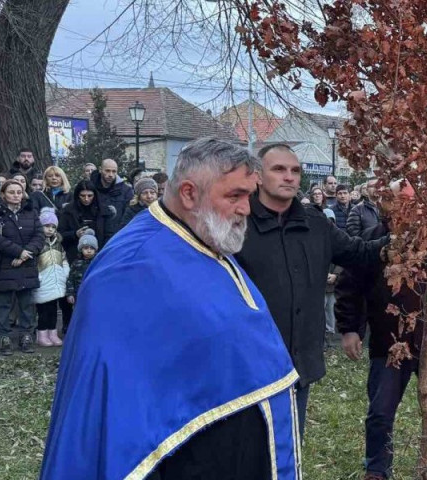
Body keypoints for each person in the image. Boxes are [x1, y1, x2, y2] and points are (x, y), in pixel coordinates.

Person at [42, 138, 302, 479]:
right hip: (180, 455)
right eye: (234, 196)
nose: (246, 209)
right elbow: (114, 400)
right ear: (189, 193)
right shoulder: (127, 267)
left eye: (248, 196)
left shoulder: (203, 235)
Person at [235, 143, 387, 437]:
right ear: (257, 175)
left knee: (290, 446)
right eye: (279, 169)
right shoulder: (236, 223)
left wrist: (405, 242)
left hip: (298, 361)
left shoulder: (315, 224)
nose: (289, 177)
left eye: (295, 170)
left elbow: (359, 253)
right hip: (247, 364)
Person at [335, 198, 427, 480]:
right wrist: (350, 328)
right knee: (380, 412)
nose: (405, 208)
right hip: (388, 343)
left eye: (412, 201)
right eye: (398, 200)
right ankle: (377, 468)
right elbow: (349, 284)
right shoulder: (373, 240)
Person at [0, 180, 44, 355]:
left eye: (19, 192)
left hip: (26, 265)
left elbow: (39, 236)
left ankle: (25, 336)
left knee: (26, 304)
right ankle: (5, 336)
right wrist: (18, 252)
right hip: (3, 266)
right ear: (3, 194)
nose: (15, 195)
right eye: (11, 192)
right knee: (3, 304)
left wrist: (25, 254)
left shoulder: (31, 212)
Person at [33, 209, 69, 347]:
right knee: (43, 311)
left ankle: (52, 333)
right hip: (43, 283)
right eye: (47, 226)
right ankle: (41, 334)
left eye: (53, 227)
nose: (50, 229)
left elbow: (63, 260)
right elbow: (33, 263)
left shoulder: (58, 244)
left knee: (54, 310)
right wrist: (38, 277)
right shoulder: (37, 244)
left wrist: (64, 272)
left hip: (55, 283)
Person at [58, 180, 114, 263]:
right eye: (82, 196)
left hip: (99, 256)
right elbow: (60, 234)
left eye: (90, 195)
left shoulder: (104, 211)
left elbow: (109, 235)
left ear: (95, 195)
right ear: (77, 196)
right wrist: (75, 234)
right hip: (74, 257)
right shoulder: (68, 211)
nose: (86, 199)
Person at [89, 158, 134, 237]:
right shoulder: (90, 188)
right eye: (107, 171)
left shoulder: (126, 191)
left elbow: (128, 215)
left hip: (116, 236)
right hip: (94, 237)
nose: (111, 174)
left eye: (114, 171)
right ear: (100, 170)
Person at [64, 230, 97, 334]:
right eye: (86, 248)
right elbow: (70, 279)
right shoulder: (76, 263)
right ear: (81, 249)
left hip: (94, 294)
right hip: (79, 295)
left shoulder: (98, 263)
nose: (89, 251)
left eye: (92, 248)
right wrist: (69, 294)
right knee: (79, 314)